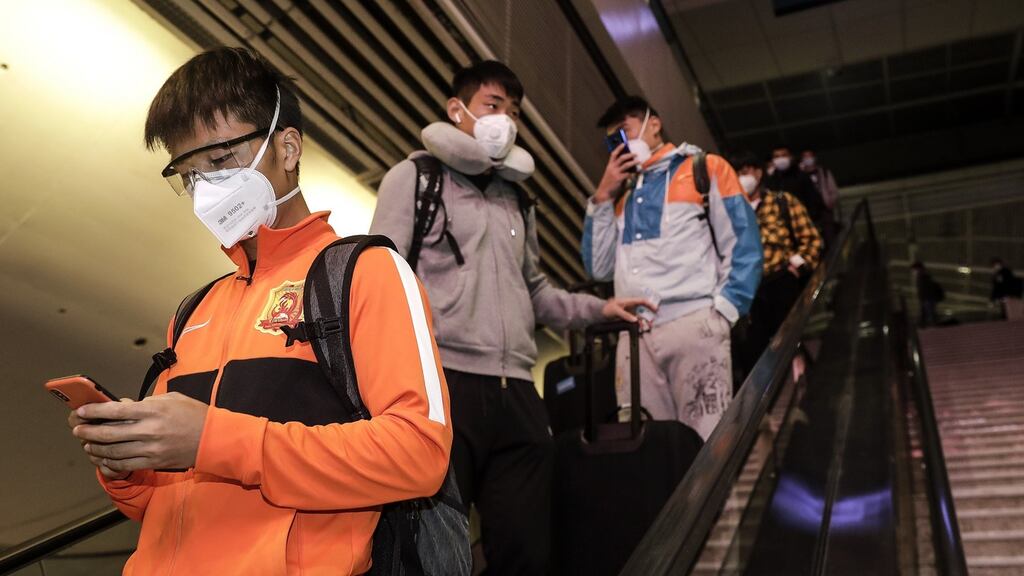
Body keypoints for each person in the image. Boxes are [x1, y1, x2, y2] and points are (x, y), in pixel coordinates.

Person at [67, 48, 453, 575]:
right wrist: (125, 465)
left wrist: (213, 439)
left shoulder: (364, 271)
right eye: (189, 173)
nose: (206, 189)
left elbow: (418, 455)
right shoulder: (194, 310)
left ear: (287, 147)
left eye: (221, 160)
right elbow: (152, 506)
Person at [369, 60, 647, 574]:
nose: (505, 120)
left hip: (518, 391)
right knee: (433, 553)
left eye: (513, 111)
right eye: (492, 106)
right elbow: (381, 280)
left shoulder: (517, 198)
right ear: (457, 111)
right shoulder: (414, 178)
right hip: (444, 385)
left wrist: (600, 309)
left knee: (527, 550)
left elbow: (536, 292)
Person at [583, 95, 763, 440]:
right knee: (643, 449)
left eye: (625, 131)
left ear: (654, 123)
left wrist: (724, 312)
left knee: (706, 443)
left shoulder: (705, 168)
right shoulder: (621, 193)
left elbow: (744, 244)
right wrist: (603, 197)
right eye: (613, 140)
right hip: (633, 335)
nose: (620, 145)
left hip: (694, 322)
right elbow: (599, 267)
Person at [731, 152, 823, 382]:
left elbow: (811, 239)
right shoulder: (731, 212)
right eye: (737, 174)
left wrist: (796, 267)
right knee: (751, 349)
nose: (742, 178)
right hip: (748, 288)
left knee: (791, 341)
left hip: (781, 280)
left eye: (746, 172)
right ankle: (762, 409)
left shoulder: (782, 201)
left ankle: (803, 387)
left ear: (759, 173)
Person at [766, 146, 827, 234]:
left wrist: (809, 219)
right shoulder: (771, 181)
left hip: (804, 225)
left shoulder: (802, 177)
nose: (780, 159)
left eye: (784, 155)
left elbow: (813, 200)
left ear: (791, 157)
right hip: (781, 230)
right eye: (777, 156)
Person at [800, 149, 840, 244]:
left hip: (824, 209)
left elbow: (833, 190)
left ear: (814, 158)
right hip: (808, 211)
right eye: (805, 157)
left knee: (830, 235)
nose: (807, 159)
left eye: (809, 156)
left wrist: (829, 203)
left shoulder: (824, 172)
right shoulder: (800, 175)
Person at [912, 261, 944, 327]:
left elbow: (925, 289)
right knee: (928, 314)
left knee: (930, 315)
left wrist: (923, 298)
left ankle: (933, 328)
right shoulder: (924, 276)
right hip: (927, 299)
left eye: (914, 270)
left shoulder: (923, 277)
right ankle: (927, 327)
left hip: (927, 299)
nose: (913, 272)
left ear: (918, 269)